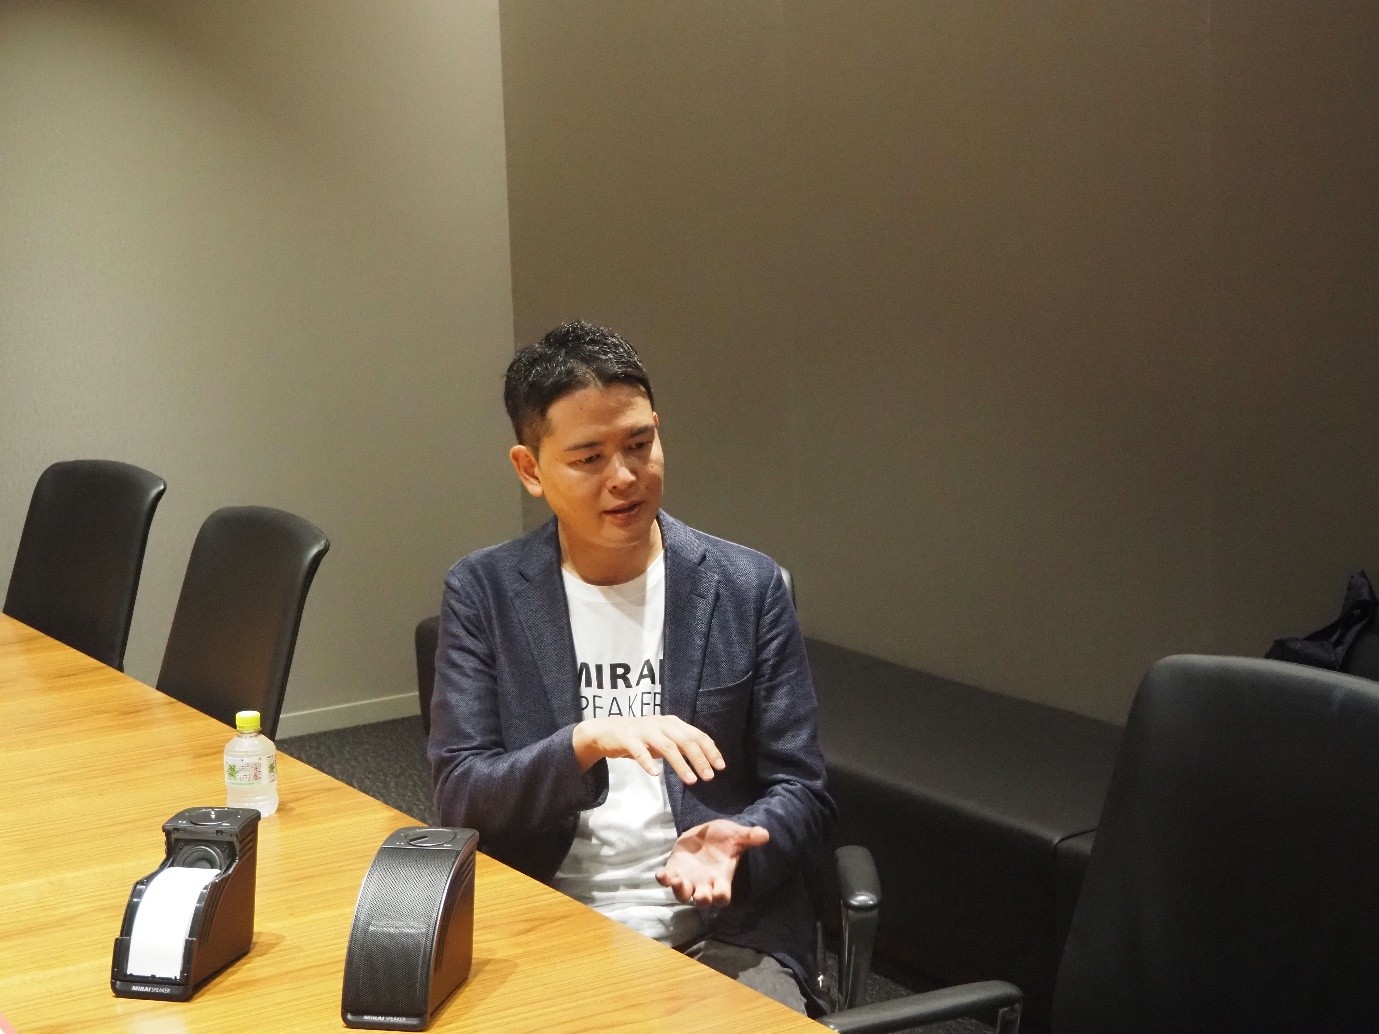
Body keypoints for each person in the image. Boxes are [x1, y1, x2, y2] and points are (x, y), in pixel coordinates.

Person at [428, 319, 835, 1013]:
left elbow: (803, 789)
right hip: (547, 924)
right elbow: (462, 794)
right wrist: (585, 743)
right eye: (589, 458)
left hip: (724, 933)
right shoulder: (484, 592)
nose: (624, 477)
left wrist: (742, 841)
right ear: (530, 469)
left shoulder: (746, 586)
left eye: (639, 445)